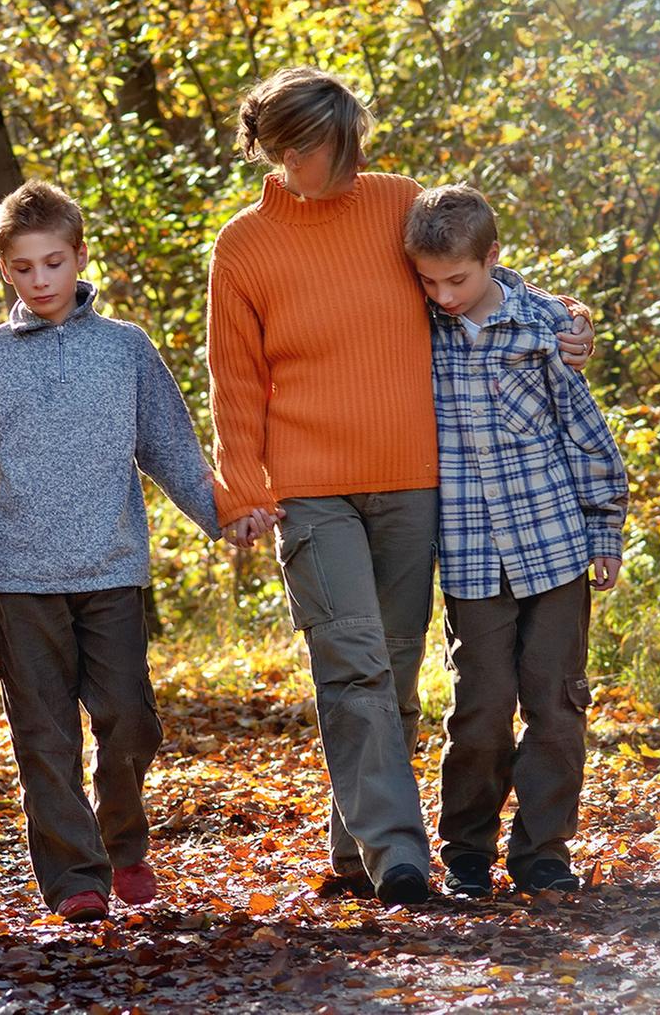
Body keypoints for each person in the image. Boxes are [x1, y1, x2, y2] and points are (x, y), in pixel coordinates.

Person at [205, 66, 598, 905]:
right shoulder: (242, 245)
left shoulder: (398, 203)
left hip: (418, 482)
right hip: (310, 490)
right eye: (325, 153)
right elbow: (233, 381)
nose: (346, 166)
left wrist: (563, 322)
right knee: (351, 669)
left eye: (352, 147)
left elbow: (475, 274)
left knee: (395, 668)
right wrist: (242, 490)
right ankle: (399, 856)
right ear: (282, 151)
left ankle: (356, 852)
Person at [0, 180, 229, 923]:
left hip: (113, 569)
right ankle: (75, 877)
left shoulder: (126, 350)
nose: (40, 280)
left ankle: (122, 839)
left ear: (79, 256)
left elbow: (169, 451)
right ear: (3, 269)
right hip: (21, 578)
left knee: (130, 720)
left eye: (53, 263)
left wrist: (224, 518)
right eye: (22, 267)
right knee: (44, 736)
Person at [404, 184, 628, 897]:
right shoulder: (417, 329)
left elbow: (585, 433)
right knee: (479, 709)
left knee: (557, 705)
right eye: (429, 281)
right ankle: (466, 850)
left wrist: (606, 527)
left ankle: (543, 852)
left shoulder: (541, 329)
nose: (442, 294)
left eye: (457, 280)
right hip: (471, 558)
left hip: (556, 546)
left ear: (493, 259)